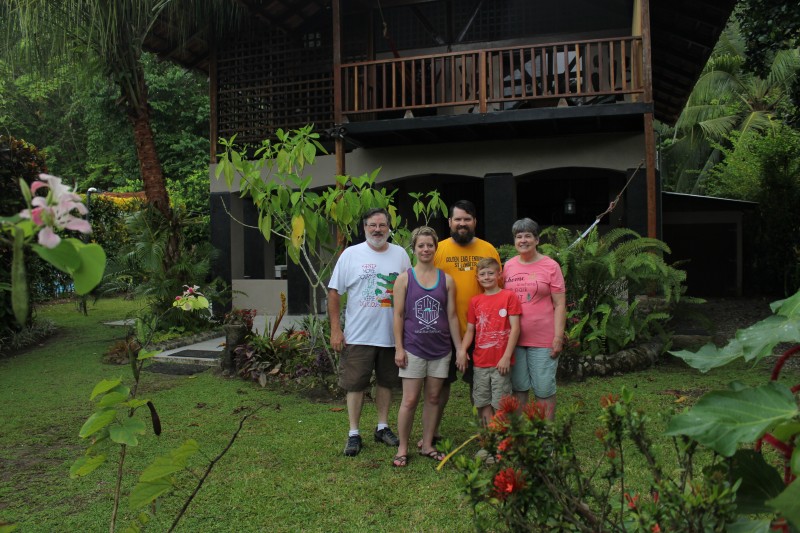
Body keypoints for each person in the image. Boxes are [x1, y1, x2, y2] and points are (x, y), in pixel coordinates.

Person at [328, 208, 412, 457]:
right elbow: (334, 292)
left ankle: (382, 427)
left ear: (389, 227)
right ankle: (354, 433)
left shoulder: (400, 254)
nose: (378, 229)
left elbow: (410, 289)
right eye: (372, 225)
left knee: (387, 382)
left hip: (391, 335)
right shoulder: (350, 255)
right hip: (359, 334)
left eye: (382, 225)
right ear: (364, 227)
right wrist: (335, 329)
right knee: (355, 384)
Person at [430, 200, 501, 445]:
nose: (462, 223)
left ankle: (486, 437)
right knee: (439, 387)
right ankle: (432, 432)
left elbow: (498, 291)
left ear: (474, 222)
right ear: (449, 222)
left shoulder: (488, 250)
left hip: (483, 334)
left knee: (480, 388)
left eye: (467, 219)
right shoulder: (437, 250)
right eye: (457, 219)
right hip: (442, 331)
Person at [391, 227, 461, 467]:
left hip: (441, 350)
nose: (425, 249)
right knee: (409, 400)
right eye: (421, 245)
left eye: (430, 245)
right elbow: (398, 315)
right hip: (413, 348)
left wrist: (459, 349)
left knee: (433, 397)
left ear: (436, 247)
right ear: (414, 248)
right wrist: (399, 348)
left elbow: (451, 317)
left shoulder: (447, 280)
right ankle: (402, 447)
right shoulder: (404, 279)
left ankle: (428, 444)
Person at [503, 218, 566, 420]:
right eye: (518, 236)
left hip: (543, 339)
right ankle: (519, 439)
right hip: (515, 340)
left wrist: (558, 336)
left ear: (537, 240)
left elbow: (560, 304)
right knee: (519, 389)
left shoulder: (551, 266)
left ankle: (546, 441)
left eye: (528, 236)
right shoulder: (508, 266)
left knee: (544, 390)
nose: (523, 240)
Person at [457, 257, 521, 427]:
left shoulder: (509, 297)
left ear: (499, 275)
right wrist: (462, 350)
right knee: (482, 403)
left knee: (501, 405)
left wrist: (507, 356)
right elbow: (471, 330)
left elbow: (515, 328)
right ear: (477, 278)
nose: (487, 277)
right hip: (480, 363)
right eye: (482, 274)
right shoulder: (475, 301)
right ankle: (488, 442)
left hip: (501, 362)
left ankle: (501, 444)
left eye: (491, 273)